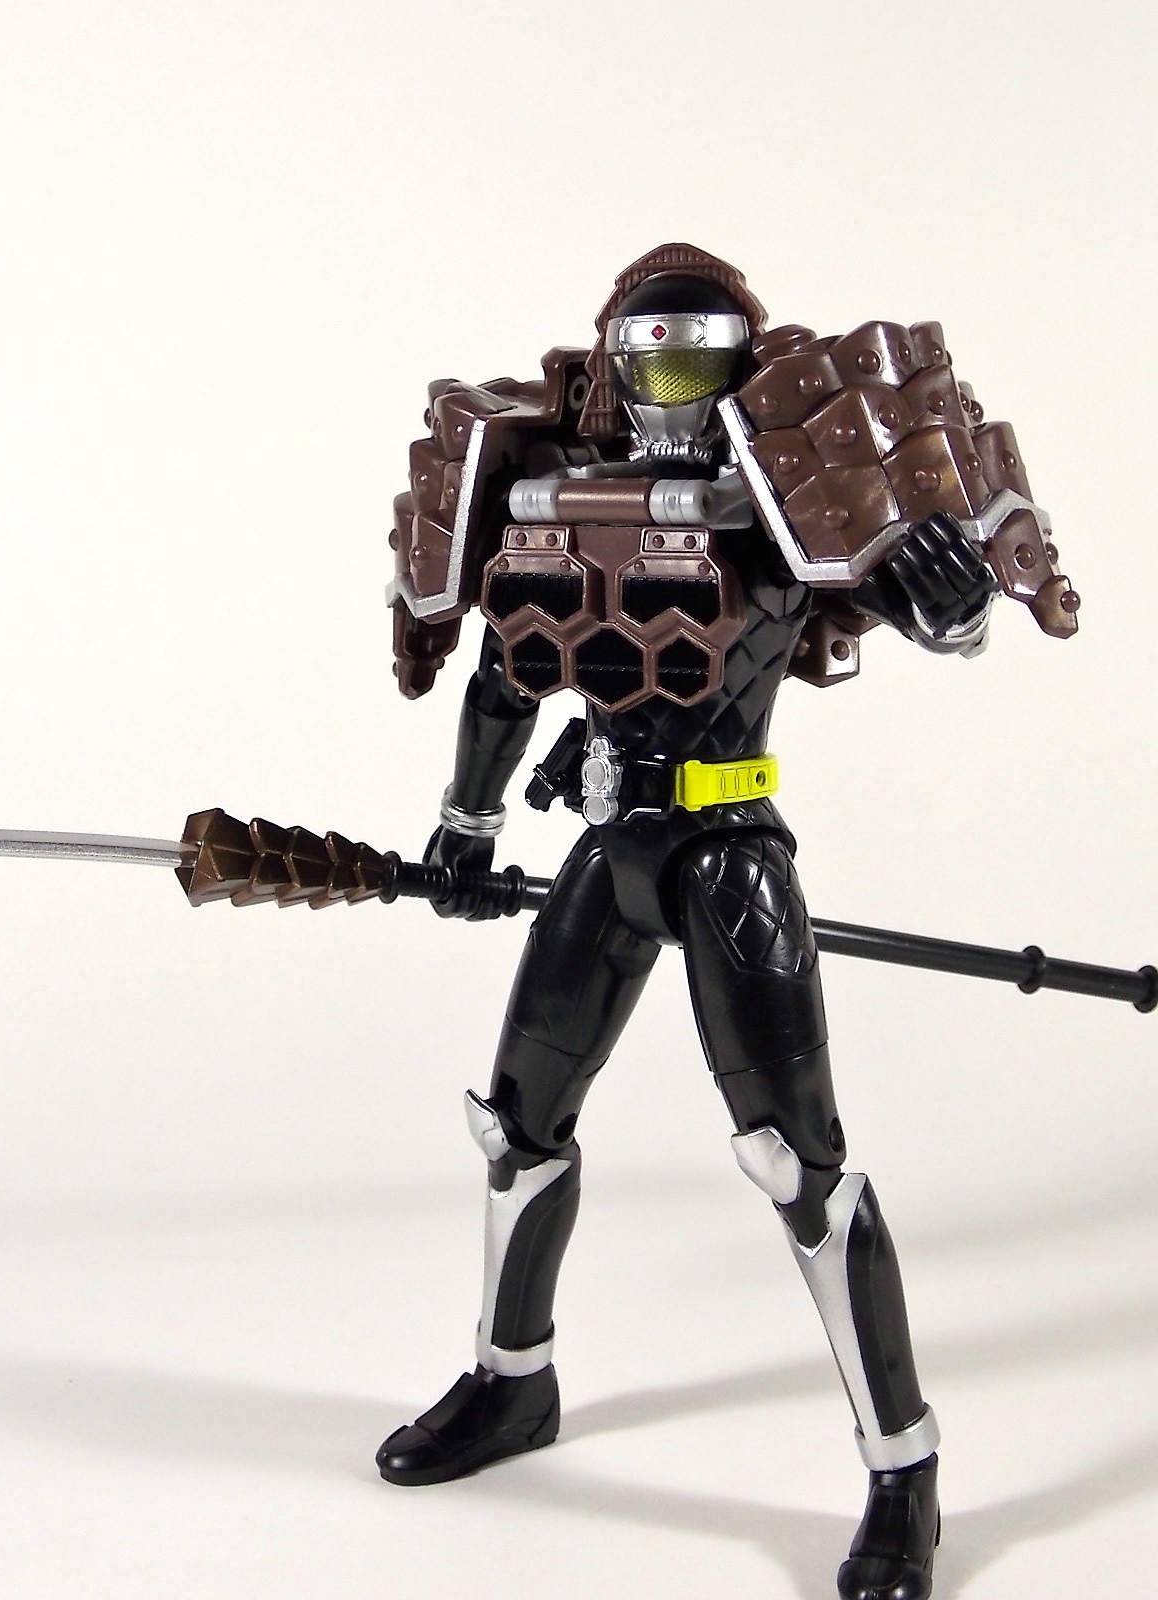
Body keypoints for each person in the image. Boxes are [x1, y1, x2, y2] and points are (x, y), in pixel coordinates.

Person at [378, 242, 1075, 1600]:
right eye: (649, 365)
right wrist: (466, 825)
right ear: (614, 371)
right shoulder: (562, 498)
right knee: (516, 1126)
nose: (672, 392)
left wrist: (950, 603)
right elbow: (509, 674)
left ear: (742, 370)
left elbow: (916, 597)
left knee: (795, 1163)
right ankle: (513, 1381)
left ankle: (904, 1469)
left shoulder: (781, 505)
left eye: (698, 362)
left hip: (728, 857)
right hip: (607, 850)